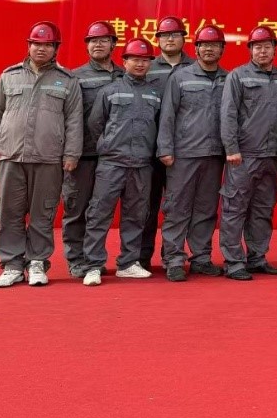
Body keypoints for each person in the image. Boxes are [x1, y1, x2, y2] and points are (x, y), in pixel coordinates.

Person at [0, 21, 83, 288]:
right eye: (36, 44)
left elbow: (74, 120)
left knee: (42, 213)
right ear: (28, 45)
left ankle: (37, 262)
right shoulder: (9, 76)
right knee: (8, 212)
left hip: (49, 158)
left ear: (56, 48)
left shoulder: (67, 81)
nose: (41, 49)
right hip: (11, 155)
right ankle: (12, 264)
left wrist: (71, 154)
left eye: (47, 45)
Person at [80, 38, 162, 286]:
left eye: (145, 60)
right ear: (124, 61)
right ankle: (93, 265)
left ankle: (128, 263)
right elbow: (95, 124)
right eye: (135, 59)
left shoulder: (154, 93)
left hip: (142, 164)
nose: (140, 64)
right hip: (112, 164)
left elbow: (159, 126)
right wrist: (108, 145)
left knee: (136, 215)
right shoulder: (110, 91)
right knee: (99, 213)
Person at [156, 25, 228, 282]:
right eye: (204, 45)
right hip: (183, 154)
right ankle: (173, 259)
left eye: (214, 45)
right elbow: (167, 115)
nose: (209, 49)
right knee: (177, 208)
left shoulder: (229, 79)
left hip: (214, 155)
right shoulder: (181, 77)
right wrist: (165, 148)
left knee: (206, 209)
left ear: (222, 49)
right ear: (195, 49)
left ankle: (201, 258)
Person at [219, 25, 277, 280]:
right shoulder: (237, 76)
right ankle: (233, 262)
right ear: (250, 49)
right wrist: (231, 149)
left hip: (271, 156)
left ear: (275, 50)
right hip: (243, 155)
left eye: (267, 46)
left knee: (263, 208)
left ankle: (257, 258)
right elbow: (228, 114)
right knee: (234, 208)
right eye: (257, 47)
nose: (262, 51)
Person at [64, 21, 122, 277]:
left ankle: (96, 257)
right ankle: (76, 259)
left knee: (102, 211)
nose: (98, 44)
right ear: (87, 45)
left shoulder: (125, 75)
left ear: (113, 44)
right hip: (84, 155)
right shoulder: (75, 77)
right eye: (93, 41)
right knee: (77, 208)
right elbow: (68, 118)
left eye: (103, 40)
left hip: (115, 157)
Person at [140, 15, 194, 268]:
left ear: (184, 38)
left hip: (183, 149)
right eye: (164, 35)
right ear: (157, 39)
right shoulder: (147, 67)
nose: (170, 39)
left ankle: (173, 256)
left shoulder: (195, 68)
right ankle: (141, 257)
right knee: (146, 205)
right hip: (148, 148)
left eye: (175, 34)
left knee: (179, 206)